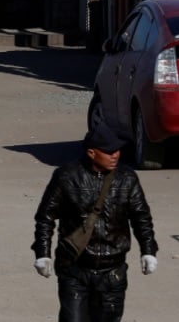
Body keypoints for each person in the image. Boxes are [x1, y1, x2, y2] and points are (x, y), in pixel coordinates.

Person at [32, 122, 158, 322]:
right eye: (109, 151)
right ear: (91, 153)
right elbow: (45, 217)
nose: (115, 155)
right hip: (75, 270)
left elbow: (141, 217)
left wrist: (149, 251)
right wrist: (42, 253)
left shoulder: (127, 179)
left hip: (112, 273)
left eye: (117, 150)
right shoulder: (67, 176)